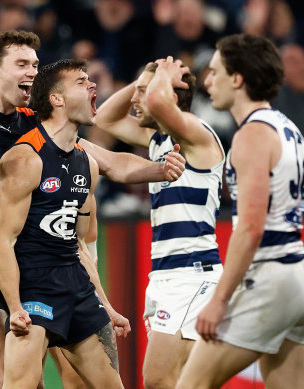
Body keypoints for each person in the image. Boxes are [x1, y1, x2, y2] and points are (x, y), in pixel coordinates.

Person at [0, 30, 185, 388]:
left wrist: (160, 169)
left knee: (66, 377)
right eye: (21, 64)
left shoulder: (35, 122)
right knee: (5, 375)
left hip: (29, 264)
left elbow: (109, 163)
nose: (32, 71)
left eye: (34, 63)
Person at [177, 33, 304, 389]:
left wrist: (219, 300)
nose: (207, 81)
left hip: (269, 275)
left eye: (216, 72)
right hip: (298, 276)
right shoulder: (288, 129)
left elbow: (250, 228)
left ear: (237, 79)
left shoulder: (252, 136)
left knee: (190, 385)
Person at [90, 57, 225, 389]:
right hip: (166, 275)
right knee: (183, 381)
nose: (136, 100)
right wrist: (142, 80)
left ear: (170, 93)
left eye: (143, 92)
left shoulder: (197, 133)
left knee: (157, 378)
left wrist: (162, 76)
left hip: (192, 275)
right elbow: (104, 117)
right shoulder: (158, 139)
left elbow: (156, 102)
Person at [0, 58, 126, 389]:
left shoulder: (87, 165)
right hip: (35, 286)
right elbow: (2, 241)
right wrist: (14, 306)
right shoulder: (24, 158)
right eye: (81, 82)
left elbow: (78, 243)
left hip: (77, 287)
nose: (93, 85)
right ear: (57, 99)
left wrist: (106, 304)